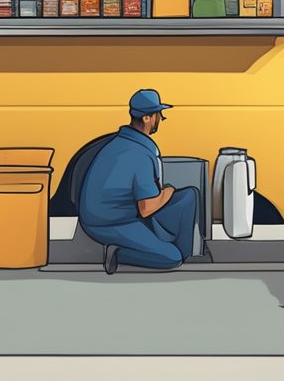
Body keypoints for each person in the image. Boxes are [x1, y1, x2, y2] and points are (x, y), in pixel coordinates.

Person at [78, 89, 201, 274]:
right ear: (147, 118)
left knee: (189, 195)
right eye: (158, 114)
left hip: (116, 213)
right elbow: (146, 208)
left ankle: (178, 252)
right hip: (110, 223)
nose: (160, 118)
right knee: (171, 257)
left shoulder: (123, 142)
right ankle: (119, 254)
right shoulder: (139, 154)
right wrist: (168, 191)